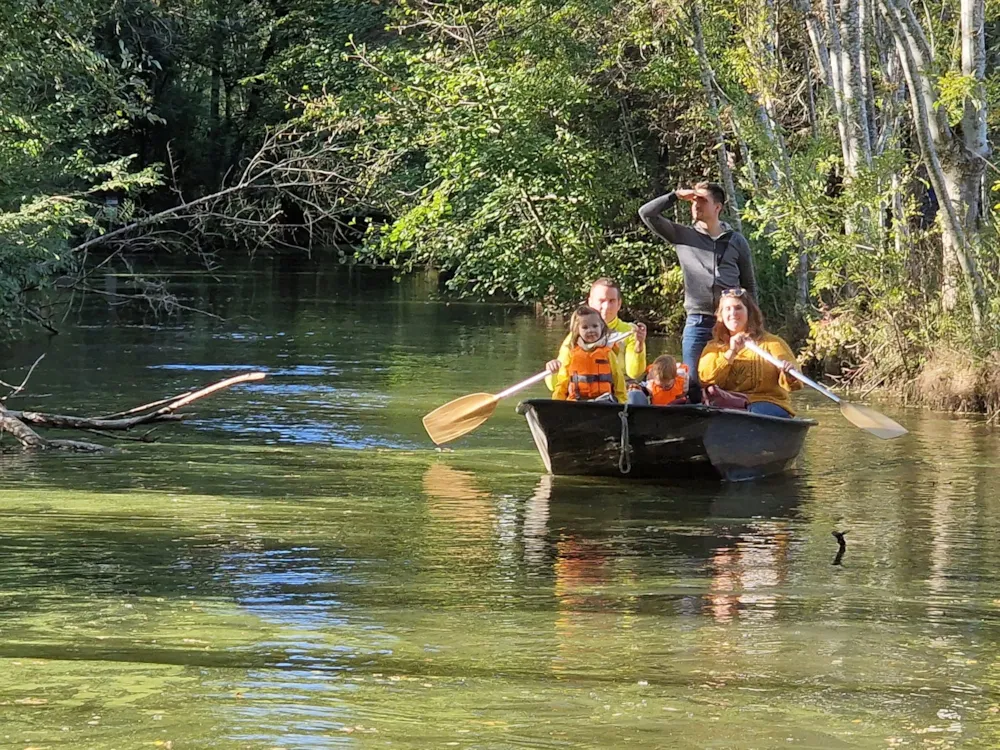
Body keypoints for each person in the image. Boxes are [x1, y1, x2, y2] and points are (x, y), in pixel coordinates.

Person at [638, 183, 756, 403]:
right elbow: (646, 213)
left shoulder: (736, 241)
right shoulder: (682, 235)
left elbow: (749, 285)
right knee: (693, 382)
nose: (696, 206)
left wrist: (753, 324)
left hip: (731, 322)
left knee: (730, 380)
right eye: (693, 201)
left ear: (717, 207)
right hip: (698, 321)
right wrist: (674, 195)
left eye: (702, 201)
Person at [697, 288, 801, 417]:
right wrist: (731, 352)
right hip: (729, 406)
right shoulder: (713, 347)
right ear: (721, 316)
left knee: (747, 414)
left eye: (738, 308)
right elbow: (706, 380)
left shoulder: (772, 343)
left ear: (749, 313)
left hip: (767, 402)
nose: (733, 313)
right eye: (727, 309)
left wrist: (790, 374)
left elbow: (796, 385)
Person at [545, 279, 647, 399]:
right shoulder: (575, 338)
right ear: (590, 302)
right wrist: (553, 371)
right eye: (601, 301)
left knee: (635, 396)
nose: (606, 306)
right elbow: (554, 385)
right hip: (581, 396)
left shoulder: (630, 331)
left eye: (612, 301)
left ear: (619, 304)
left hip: (618, 393)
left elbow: (634, 373)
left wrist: (639, 345)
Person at [551, 306, 627, 403]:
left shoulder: (608, 353)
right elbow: (562, 383)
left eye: (595, 326)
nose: (590, 330)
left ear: (601, 327)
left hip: (603, 403)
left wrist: (622, 403)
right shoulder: (571, 354)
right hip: (576, 403)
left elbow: (618, 380)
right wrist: (556, 403)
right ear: (577, 330)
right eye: (585, 327)